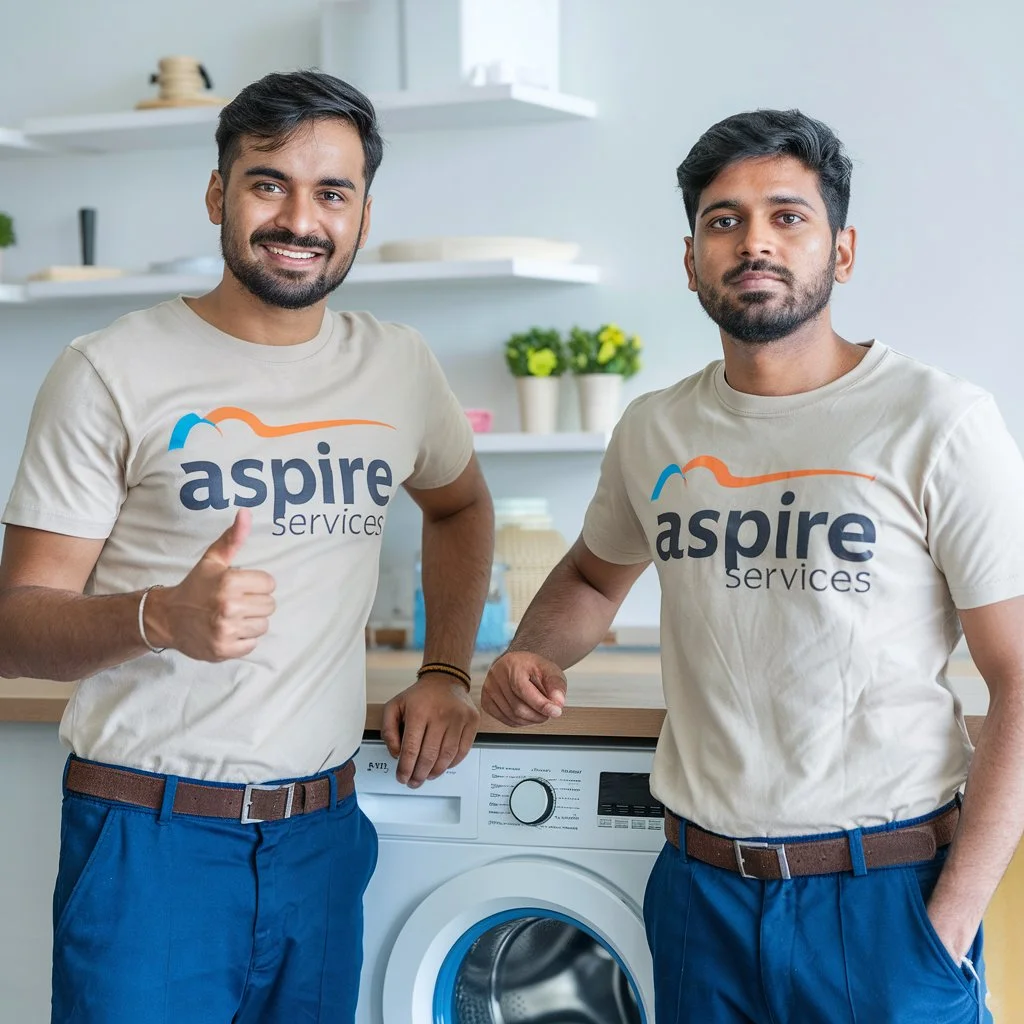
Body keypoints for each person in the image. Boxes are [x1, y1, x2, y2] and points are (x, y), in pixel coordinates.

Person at [482, 108, 1024, 1023]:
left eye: (787, 216)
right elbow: (588, 577)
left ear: (841, 252)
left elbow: (1018, 678)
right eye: (723, 220)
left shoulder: (939, 420)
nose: (753, 242)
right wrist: (533, 654)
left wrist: (952, 920)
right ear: (691, 259)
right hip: (700, 896)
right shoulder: (656, 428)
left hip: (883, 896)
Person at [0, 70, 493, 1024]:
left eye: (331, 193)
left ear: (361, 213)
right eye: (269, 183)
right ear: (220, 193)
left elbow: (461, 507)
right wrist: (160, 617)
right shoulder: (109, 369)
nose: (299, 219)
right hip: (149, 838)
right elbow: (16, 628)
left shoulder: (397, 366)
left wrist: (446, 668)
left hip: (322, 836)